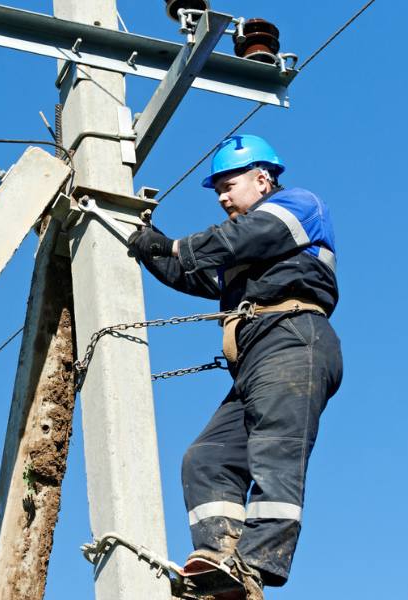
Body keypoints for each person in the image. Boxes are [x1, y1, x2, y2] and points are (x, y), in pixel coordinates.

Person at [126, 134, 343, 599]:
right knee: (207, 458)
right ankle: (219, 561)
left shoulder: (299, 206)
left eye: (229, 184)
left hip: (293, 339)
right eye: (218, 188)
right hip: (259, 358)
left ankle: (255, 565)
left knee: (274, 449)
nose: (223, 196)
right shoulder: (243, 248)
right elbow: (192, 272)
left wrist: (175, 245)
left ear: (262, 178)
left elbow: (231, 241)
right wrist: (148, 246)